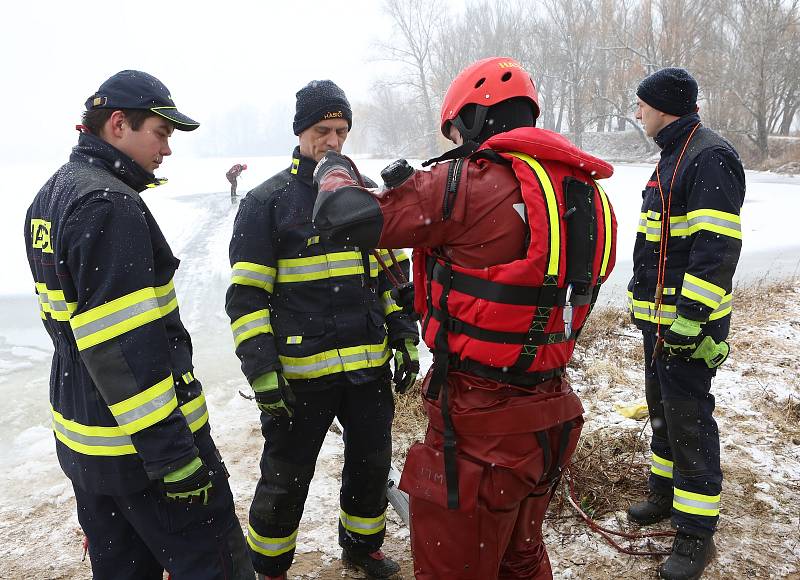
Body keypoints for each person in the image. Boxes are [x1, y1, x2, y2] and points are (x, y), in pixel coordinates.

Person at [313, 57, 617, 579]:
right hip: (550, 417)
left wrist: (332, 166)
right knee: (521, 558)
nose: (454, 143)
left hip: (480, 429)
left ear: (475, 120)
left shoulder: (464, 184)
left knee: (458, 568)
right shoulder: (586, 193)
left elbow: (342, 217)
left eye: (455, 130)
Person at [23, 70, 254, 579]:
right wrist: (174, 457)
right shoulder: (109, 204)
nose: (167, 150)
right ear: (119, 124)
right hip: (145, 453)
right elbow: (121, 347)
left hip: (88, 445)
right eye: (162, 133)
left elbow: (72, 333)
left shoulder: (50, 197)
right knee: (216, 566)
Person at [225, 79, 419, 580]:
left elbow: (391, 274)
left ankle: (362, 547)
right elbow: (246, 299)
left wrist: (403, 332)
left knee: (371, 465)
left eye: (341, 131)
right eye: (321, 131)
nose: (332, 142)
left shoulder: (362, 195)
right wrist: (263, 373)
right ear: (300, 132)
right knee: (285, 478)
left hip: (367, 370)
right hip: (301, 377)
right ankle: (268, 566)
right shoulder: (267, 202)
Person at [626, 68, 745, 579]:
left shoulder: (708, 156)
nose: (637, 114)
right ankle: (666, 496)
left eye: (642, 106)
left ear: (664, 108)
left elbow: (715, 252)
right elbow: (661, 244)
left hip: (687, 328)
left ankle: (696, 534)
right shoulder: (675, 154)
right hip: (662, 324)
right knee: (663, 411)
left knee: (689, 420)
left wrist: (689, 324)